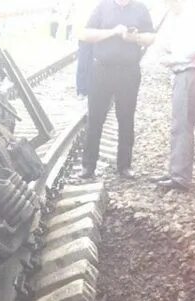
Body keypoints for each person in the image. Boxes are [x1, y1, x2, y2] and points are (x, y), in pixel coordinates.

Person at [136, 0, 195, 191]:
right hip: (185, 72)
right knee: (180, 124)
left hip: (192, 71)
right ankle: (176, 171)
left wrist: (171, 59)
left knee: (183, 125)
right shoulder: (178, 12)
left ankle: (180, 177)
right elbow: (167, 39)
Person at [78, 0, 155, 179]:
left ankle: (124, 166)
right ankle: (88, 166)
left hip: (129, 71)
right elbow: (85, 34)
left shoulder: (140, 8)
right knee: (95, 118)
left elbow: (151, 37)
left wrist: (135, 37)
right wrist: (112, 32)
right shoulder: (102, 7)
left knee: (126, 118)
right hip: (102, 70)